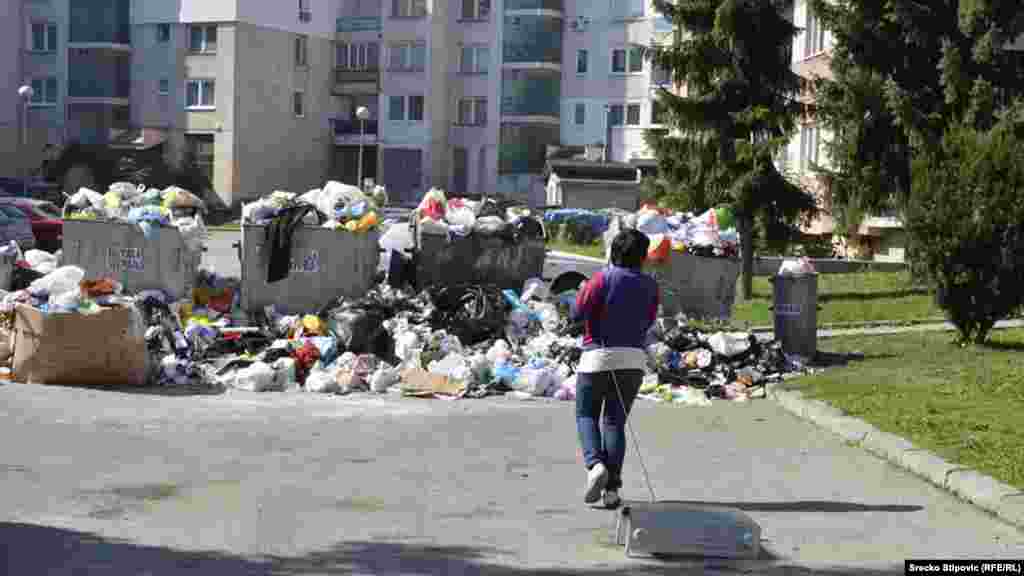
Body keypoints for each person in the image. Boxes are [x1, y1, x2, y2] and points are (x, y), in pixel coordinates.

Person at [570, 228, 660, 509]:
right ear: (642, 257)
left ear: (613, 252)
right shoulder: (651, 285)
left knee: (586, 415)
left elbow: (577, 312)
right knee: (614, 422)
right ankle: (612, 491)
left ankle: (595, 465)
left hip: (597, 357)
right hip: (633, 360)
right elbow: (648, 321)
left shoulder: (602, 279)